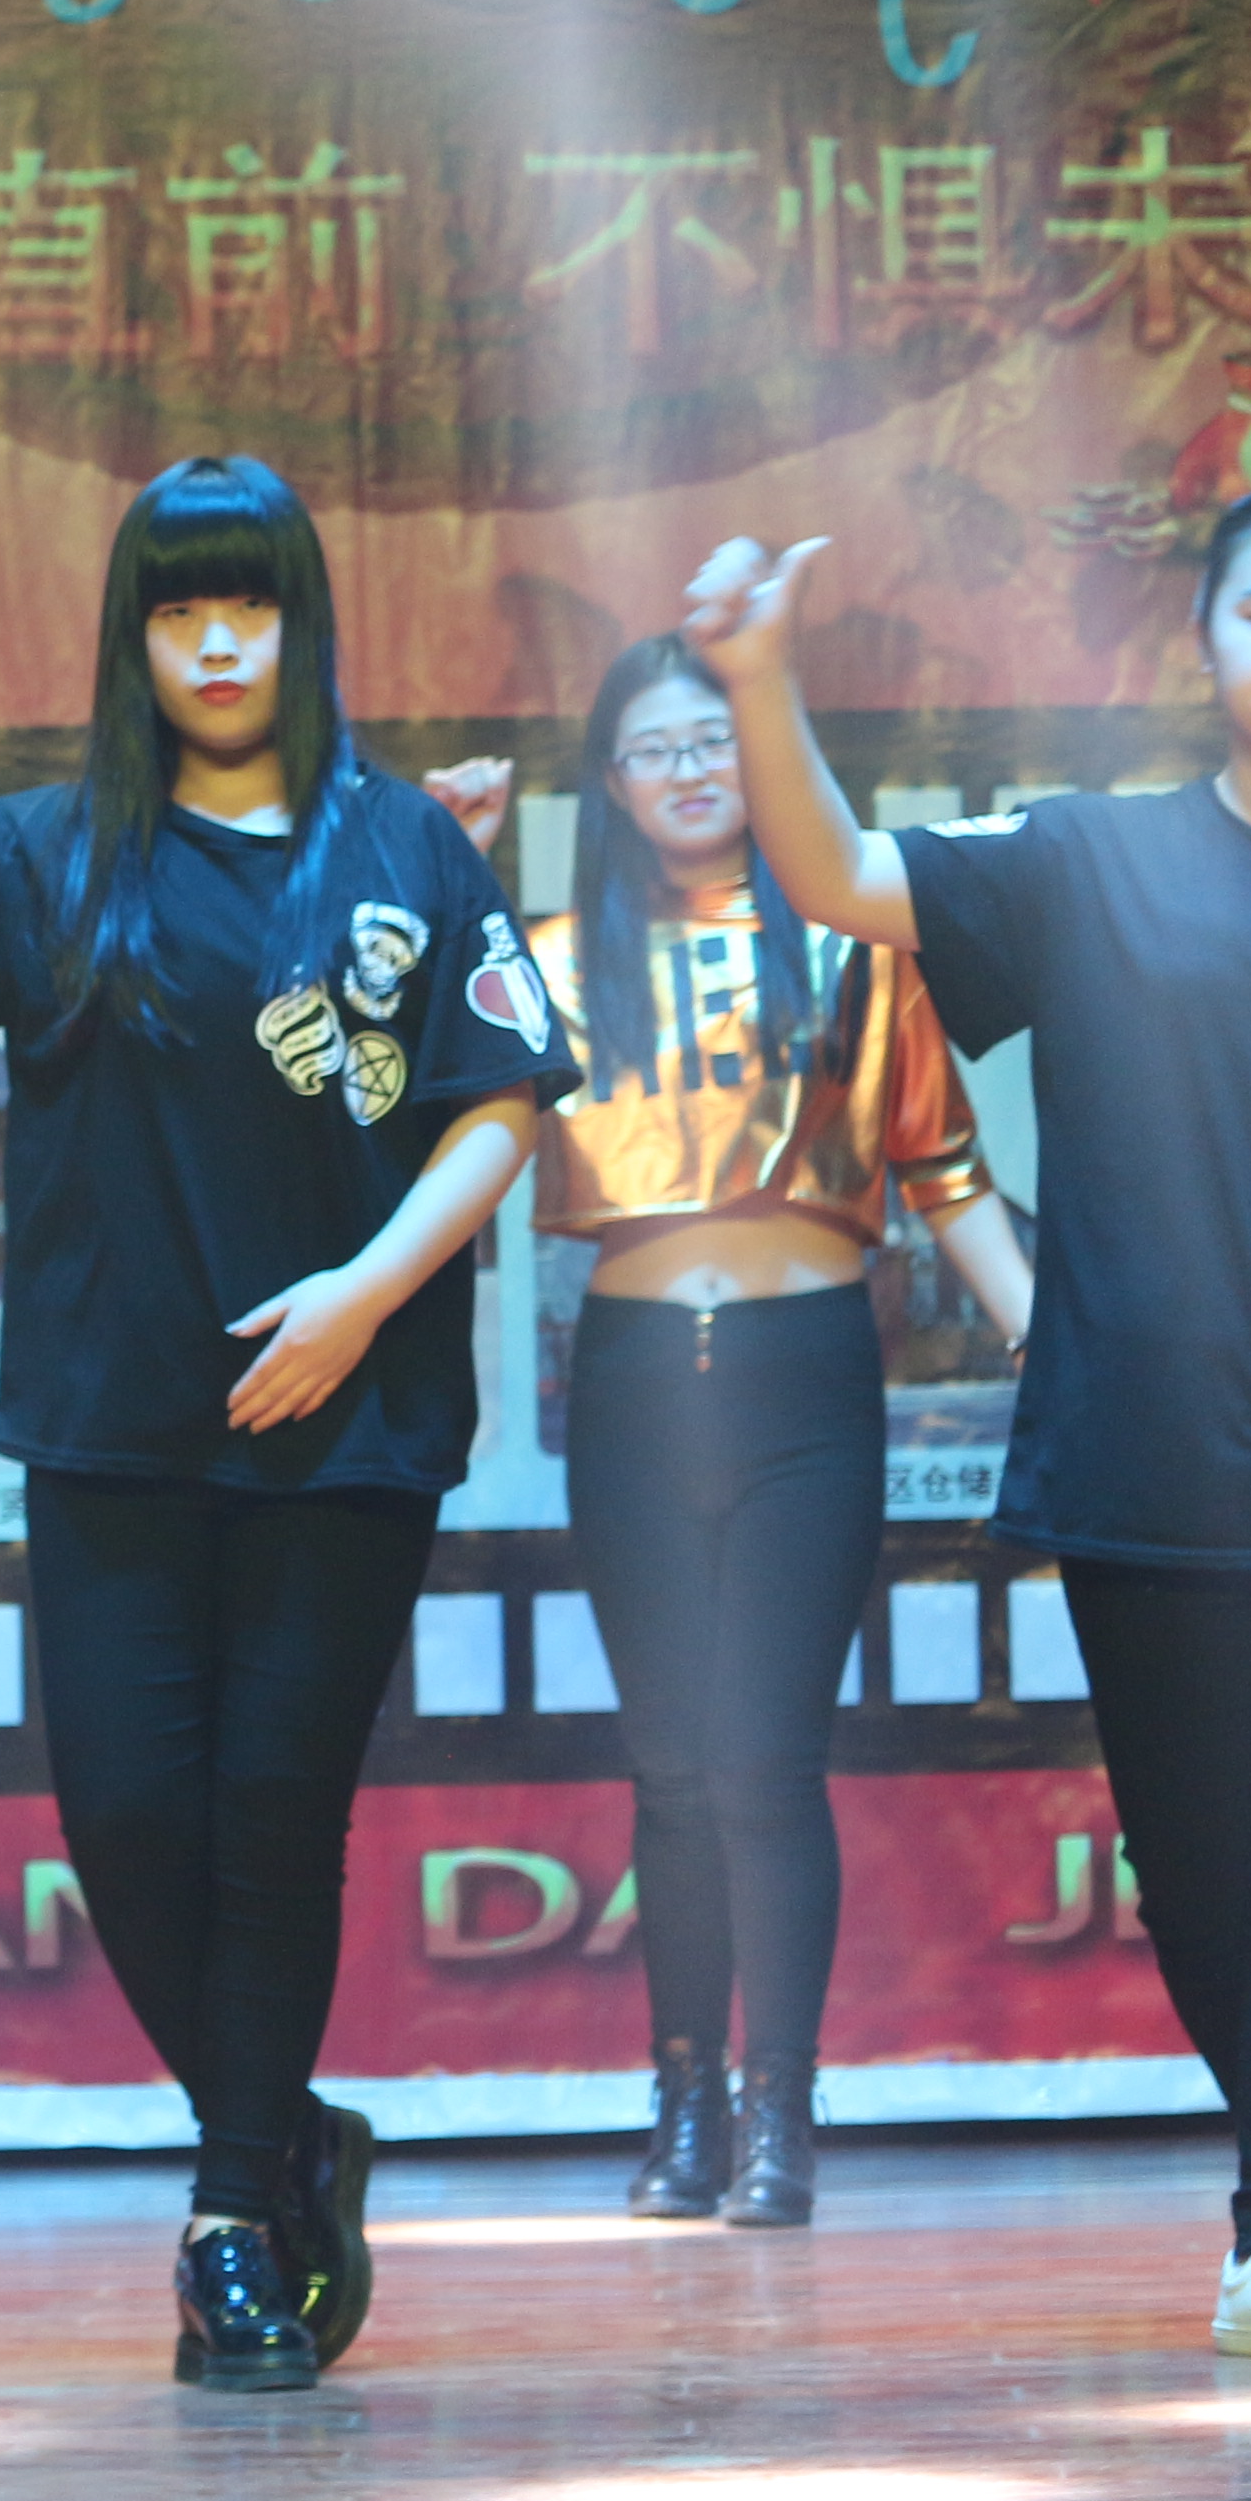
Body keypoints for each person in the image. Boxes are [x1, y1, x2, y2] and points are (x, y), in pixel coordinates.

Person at [682, 485, 1251, 2360]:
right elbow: (841, 877)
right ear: (1207, 636)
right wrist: (760, 679)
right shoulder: (1096, 858)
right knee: (1194, 1869)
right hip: (1151, 1459)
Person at [0, 461, 572, 2392]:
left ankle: (227, 2224)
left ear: (298, 622)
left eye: (247, 604)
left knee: (276, 1823)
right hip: (114, 1425)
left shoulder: (402, 844)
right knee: (127, 1819)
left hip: (347, 1425)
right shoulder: (57, 851)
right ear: (132, 637)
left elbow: (501, 1106)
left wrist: (362, 1295)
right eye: (177, 609)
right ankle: (287, 2141)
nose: (214, 643)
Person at [443, 637, 1032, 2227]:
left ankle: (784, 2106)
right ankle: (684, 2095)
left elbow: (945, 1168)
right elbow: (429, 1105)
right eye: (655, 748)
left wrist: (1043, 1332)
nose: (691, 770)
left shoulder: (853, 942)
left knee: (766, 1759)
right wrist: (458, 878)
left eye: (715, 739)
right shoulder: (552, 958)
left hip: (805, 1373)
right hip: (635, 1379)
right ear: (613, 784)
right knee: (671, 1769)